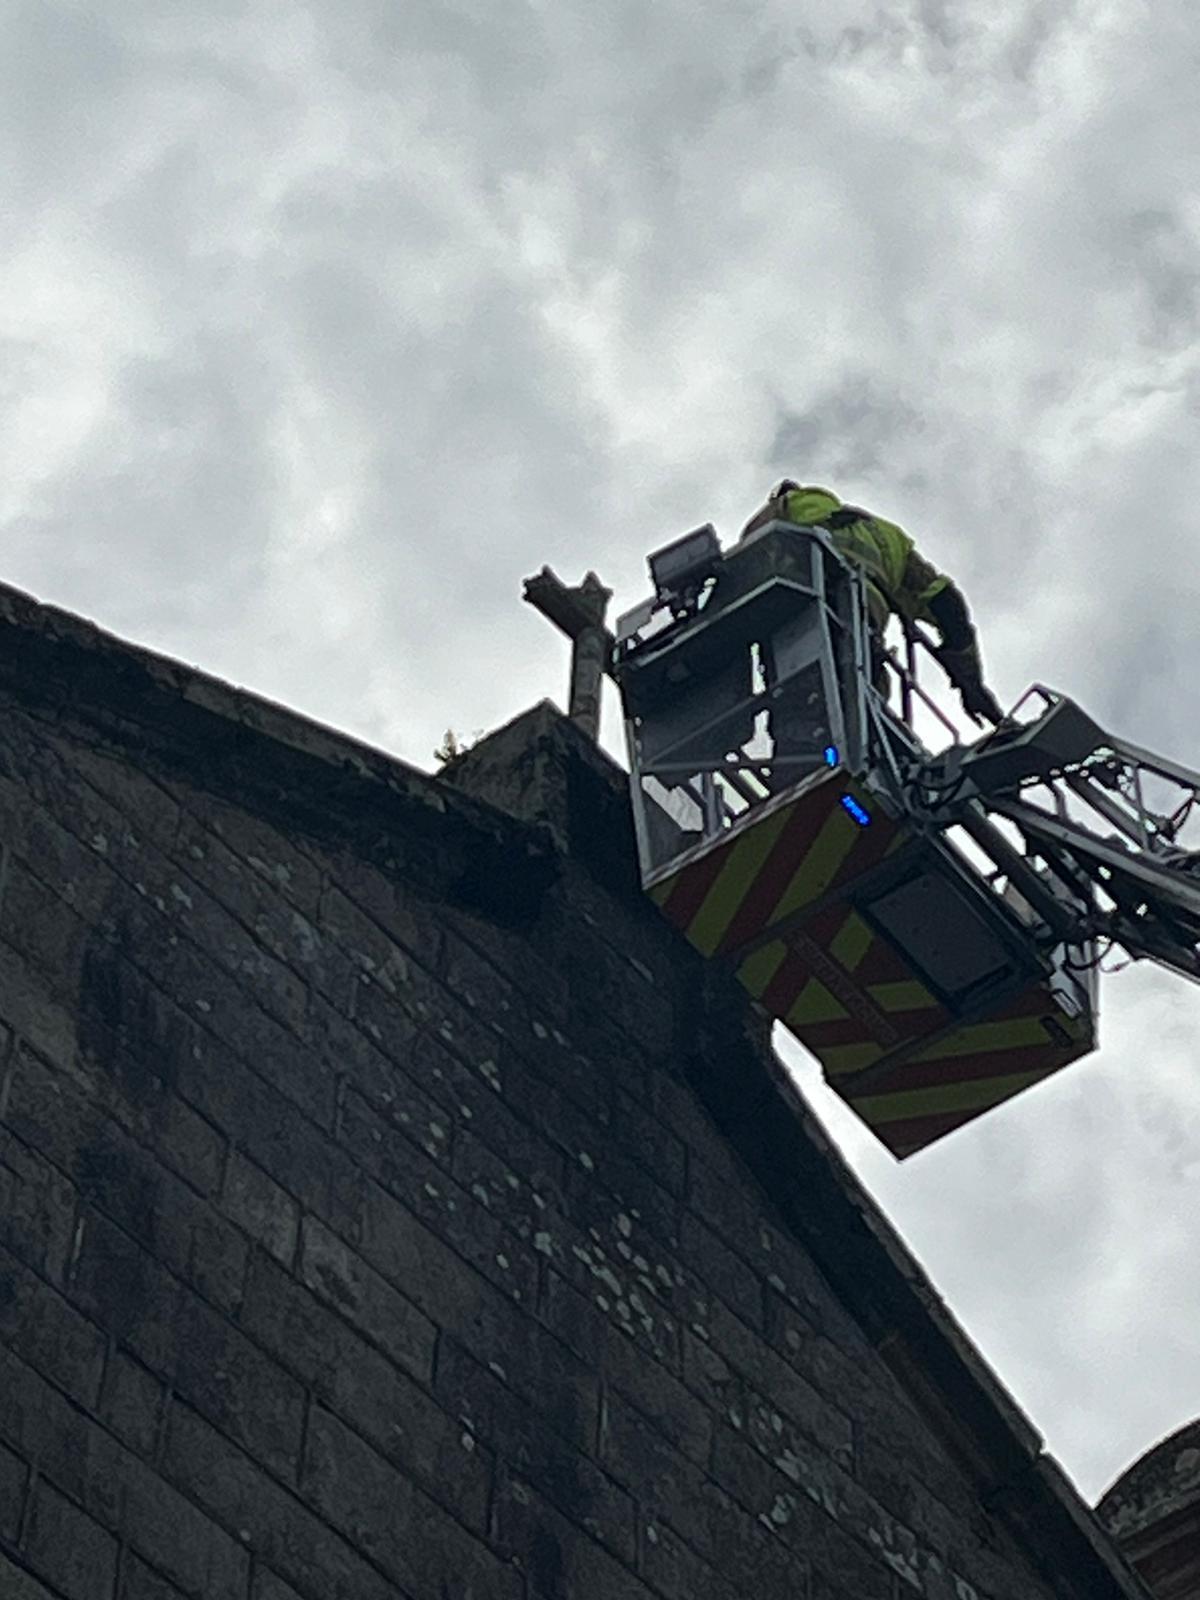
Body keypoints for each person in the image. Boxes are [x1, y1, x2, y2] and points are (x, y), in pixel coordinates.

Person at [740, 480, 1003, 725]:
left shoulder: (781, 510)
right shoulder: (884, 534)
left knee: (803, 730)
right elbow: (947, 604)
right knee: (866, 716)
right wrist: (971, 684)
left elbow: (739, 572)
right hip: (863, 641)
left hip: (800, 631)